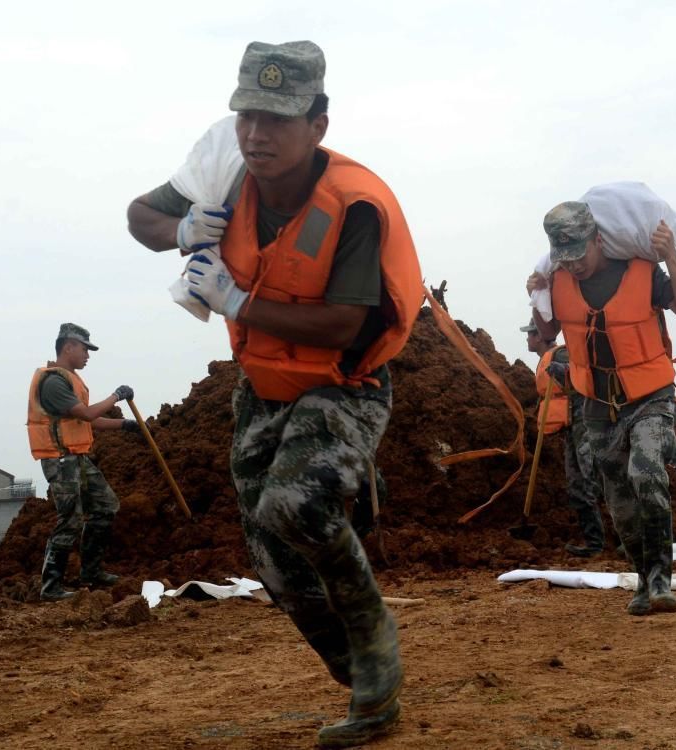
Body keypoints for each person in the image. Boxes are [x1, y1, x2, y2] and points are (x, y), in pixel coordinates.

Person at [126, 40, 423, 747]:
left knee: (299, 503)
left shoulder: (354, 204)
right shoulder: (224, 171)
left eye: (277, 120)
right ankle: (364, 683)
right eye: (248, 116)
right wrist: (180, 231)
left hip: (342, 386)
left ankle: (377, 639)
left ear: (318, 124)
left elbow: (342, 323)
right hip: (262, 388)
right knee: (269, 549)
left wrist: (236, 301)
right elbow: (138, 216)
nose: (257, 135)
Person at [527, 201, 676, 616]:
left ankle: (661, 581)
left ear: (598, 240)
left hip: (650, 397)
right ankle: (642, 578)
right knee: (619, 498)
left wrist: (671, 254)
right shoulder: (560, 279)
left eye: (579, 255)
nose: (574, 266)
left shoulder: (642, 272)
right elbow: (549, 332)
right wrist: (536, 294)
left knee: (646, 474)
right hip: (598, 405)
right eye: (564, 258)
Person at [26, 323, 139, 601]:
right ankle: (51, 587)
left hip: (76, 457)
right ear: (68, 347)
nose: (88, 355)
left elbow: (91, 420)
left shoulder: (69, 380)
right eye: (85, 349)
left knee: (105, 506)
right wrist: (116, 396)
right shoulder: (53, 382)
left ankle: (91, 573)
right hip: (59, 460)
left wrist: (124, 424)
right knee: (71, 518)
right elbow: (88, 415)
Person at [520, 319, 605, 557]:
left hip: (584, 424)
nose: (527, 339)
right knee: (577, 485)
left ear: (539, 336)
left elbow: (583, 383)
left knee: (596, 479)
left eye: (530, 334)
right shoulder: (546, 359)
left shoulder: (562, 355)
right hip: (570, 430)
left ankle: (630, 540)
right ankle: (594, 543)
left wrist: (565, 373)